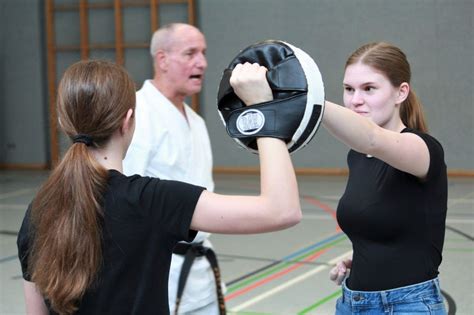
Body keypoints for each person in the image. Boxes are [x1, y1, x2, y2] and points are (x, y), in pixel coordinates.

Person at [16, 59, 300, 315]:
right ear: (128, 122)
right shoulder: (152, 201)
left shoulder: (38, 210)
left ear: (66, 124)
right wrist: (263, 108)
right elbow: (281, 210)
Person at [235, 42, 448, 314]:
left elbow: (371, 138)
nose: (355, 99)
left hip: (408, 305)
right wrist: (362, 261)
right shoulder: (357, 157)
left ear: (400, 92)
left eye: (369, 88)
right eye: (349, 89)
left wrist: (303, 96)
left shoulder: (422, 149)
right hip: (353, 302)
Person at [122, 23, 222, 315]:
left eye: (203, 53)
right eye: (190, 53)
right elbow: (124, 202)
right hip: (156, 272)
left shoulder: (197, 122)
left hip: (200, 271)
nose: (202, 62)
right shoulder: (137, 115)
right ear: (162, 60)